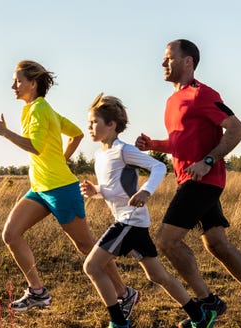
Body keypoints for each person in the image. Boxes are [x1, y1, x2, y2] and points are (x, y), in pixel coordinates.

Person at [135, 39, 241, 328]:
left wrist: (207, 161)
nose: (162, 64)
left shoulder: (202, 94)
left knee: (167, 241)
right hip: (190, 179)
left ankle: (206, 303)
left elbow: (238, 129)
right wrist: (152, 144)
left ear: (188, 61)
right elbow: (181, 144)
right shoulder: (171, 101)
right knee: (216, 243)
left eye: (168, 58)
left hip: (202, 181)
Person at [0, 60, 138, 316]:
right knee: (11, 234)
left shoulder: (40, 110)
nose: (13, 85)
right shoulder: (38, 109)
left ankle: (125, 293)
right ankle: (38, 292)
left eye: (18, 80)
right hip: (41, 188)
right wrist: (61, 159)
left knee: (87, 245)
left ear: (33, 84)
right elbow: (77, 133)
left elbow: (36, 146)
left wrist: (5, 133)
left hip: (61, 189)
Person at [80, 93, 217, 328]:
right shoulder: (100, 155)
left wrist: (146, 191)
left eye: (94, 122)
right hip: (132, 221)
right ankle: (200, 316)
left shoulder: (124, 150)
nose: (90, 127)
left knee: (91, 266)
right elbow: (115, 188)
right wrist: (97, 191)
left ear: (111, 125)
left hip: (129, 222)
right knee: (157, 276)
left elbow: (158, 166)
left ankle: (119, 323)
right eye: (89, 122)